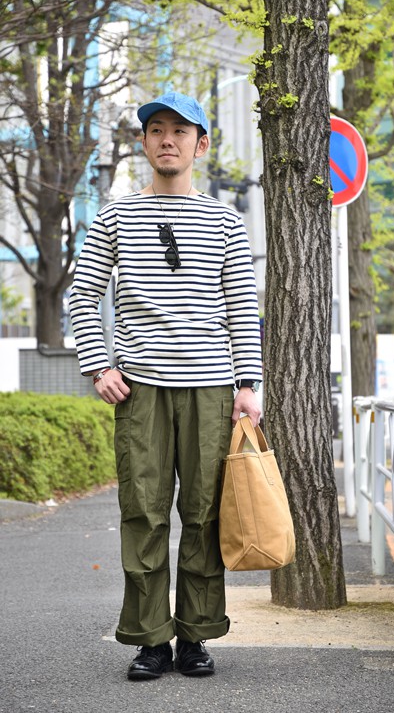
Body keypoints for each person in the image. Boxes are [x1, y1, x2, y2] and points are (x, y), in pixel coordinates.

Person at [69, 91, 263, 681]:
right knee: (143, 514)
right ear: (144, 143)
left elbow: (242, 308)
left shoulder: (226, 221)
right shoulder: (116, 215)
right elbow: (83, 294)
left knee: (203, 516)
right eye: (156, 129)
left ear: (200, 145)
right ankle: (150, 639)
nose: (167, 140)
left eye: (180, 131)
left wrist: (248, 384)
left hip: (211, 390)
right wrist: (99, 365)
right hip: (141, 391)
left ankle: (195, 636)